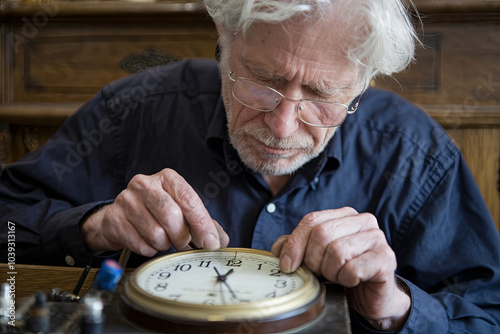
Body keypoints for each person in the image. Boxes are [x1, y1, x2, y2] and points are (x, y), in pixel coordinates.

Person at [1, 0, 499, 332]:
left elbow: (488, 315)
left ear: (364, 82)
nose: (282, 126)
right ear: (224, 33)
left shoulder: (416, 156)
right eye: (261, 82)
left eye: (322, 97)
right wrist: (93, 226)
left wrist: (397, 307)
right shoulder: (136, 109)